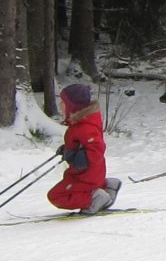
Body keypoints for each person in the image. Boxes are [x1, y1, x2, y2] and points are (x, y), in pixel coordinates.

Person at [47, 83, 121, 214]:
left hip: (85, 176)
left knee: (56, 196)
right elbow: (81, 144)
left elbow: (97, 148)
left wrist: (79, 159)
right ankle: (107, 187)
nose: (60, 106)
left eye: (63, 103)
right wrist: (68, 149)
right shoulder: (80, 123)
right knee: (63, 191)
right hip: (87, 174)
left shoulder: (85, 126)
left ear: (72, 106)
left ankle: (93, 199)